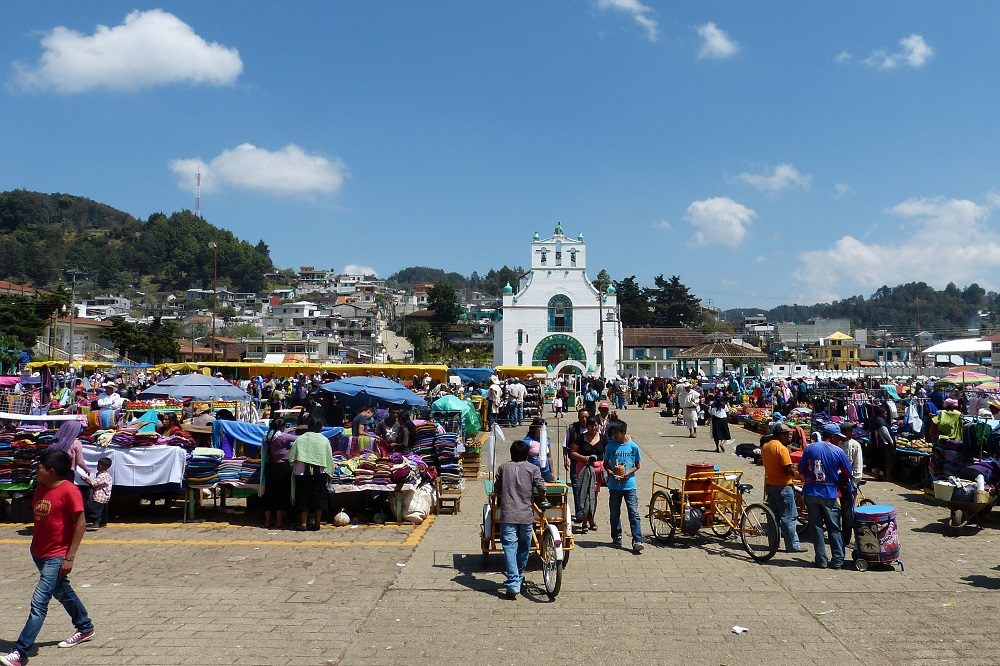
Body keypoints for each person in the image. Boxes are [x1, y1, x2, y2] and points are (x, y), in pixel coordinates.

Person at [2, 451, 95, 666]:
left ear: (51, 471)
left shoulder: (70, 491)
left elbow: (80, 524)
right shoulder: (41, 489)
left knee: (39, 603)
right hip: (39, 552)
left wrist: (69, 557)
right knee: (62, 591)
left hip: (57, 555)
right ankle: (85, 627)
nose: (37, 470)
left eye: (40, 467)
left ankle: (20, 652)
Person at [494, 440, 546, 600]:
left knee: (510, 548)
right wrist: (542, 496)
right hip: (526, 516)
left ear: (511, 453)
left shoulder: (503, 468)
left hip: (508, 515)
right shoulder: (533, 468)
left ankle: (513, 582)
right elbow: (541, 487)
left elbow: (496, 488)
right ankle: (517, 577)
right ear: (527, 455)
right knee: (524, 547)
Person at [798, 423, 854, 569]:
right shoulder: (838, 451)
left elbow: (801, 468)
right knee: (834, 527)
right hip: (829, 492)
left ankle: (821, 560)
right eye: (839, 438)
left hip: (811, 491)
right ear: (833, 437)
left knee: (816, 527)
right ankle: (837, 561)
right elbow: (848, 473)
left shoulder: (810, 448)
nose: (840, 441)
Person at [760, 423, 804, 554]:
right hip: (783, 487)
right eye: (787, 434)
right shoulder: (781, 449)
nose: (789, 436)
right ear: (781, 435)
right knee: (788, 517)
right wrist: (799, 475)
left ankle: (773, 544)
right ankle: (793, 546)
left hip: (770, 485)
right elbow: (788, 469)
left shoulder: (766, 446)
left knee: (773, 517)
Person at [603, 418, 644, 553]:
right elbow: (606, 464)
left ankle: (637, 539)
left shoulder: (633, 447)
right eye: (612, 434)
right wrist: (610, 473)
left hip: (630, 485)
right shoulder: (611, 446)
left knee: (634, 512)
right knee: (614, 513)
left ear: (623, 432)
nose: (614, 436)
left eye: (616, 433)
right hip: (614, 486)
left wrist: (627, 473)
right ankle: (617, 536)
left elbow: (637, 465)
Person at [288, 416, 335, 531]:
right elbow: (329, 459)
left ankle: (303, 523)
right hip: (320, 472)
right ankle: (317, 523)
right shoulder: (324, 440)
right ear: (320, 427)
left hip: (302, 472)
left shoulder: (300, 439)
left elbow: (291, 457)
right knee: (319, 498)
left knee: (303, 497)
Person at [569, 416, 605, 532]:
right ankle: (585, 521)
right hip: (583, 469)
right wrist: (584, 458)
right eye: (590, 425)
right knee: (583, 495)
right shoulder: (580, 438)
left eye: (595, 425)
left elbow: (609, 453)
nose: (593, 428)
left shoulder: (603, 439)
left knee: (593, 496)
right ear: (587, 426)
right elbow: (572, 453)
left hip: (597, 471)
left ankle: (591, 519)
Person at [261, 418, 296, 529]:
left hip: (270, 466)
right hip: (282, 467)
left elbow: (278, 434)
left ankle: (267, 521)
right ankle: (279, 521)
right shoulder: (282, 436)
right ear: (282, 426)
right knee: (281, 494)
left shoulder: (267, 435)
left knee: (269, 493)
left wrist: (288, 431)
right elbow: (299, 439)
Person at [85, 457, 113, 529]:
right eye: (99, 464)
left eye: (101, 465)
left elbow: (94, 483)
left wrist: (86, 478)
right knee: (103, 510)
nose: (99, 466)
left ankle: (96, 523)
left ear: (107, 467)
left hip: (99, 496)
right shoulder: (106, 475)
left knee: (96, 510)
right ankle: (103, 523)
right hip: (105, 496)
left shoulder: (102, 475)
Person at [524, 418, 554, 482]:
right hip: (532, 471)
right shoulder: (528, 441)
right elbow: (524, 458)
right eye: (540, 427)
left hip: (546, 471)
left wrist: (552, 472)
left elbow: (549, 456)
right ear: (535, 428)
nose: (542, 429)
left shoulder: (546, 439)